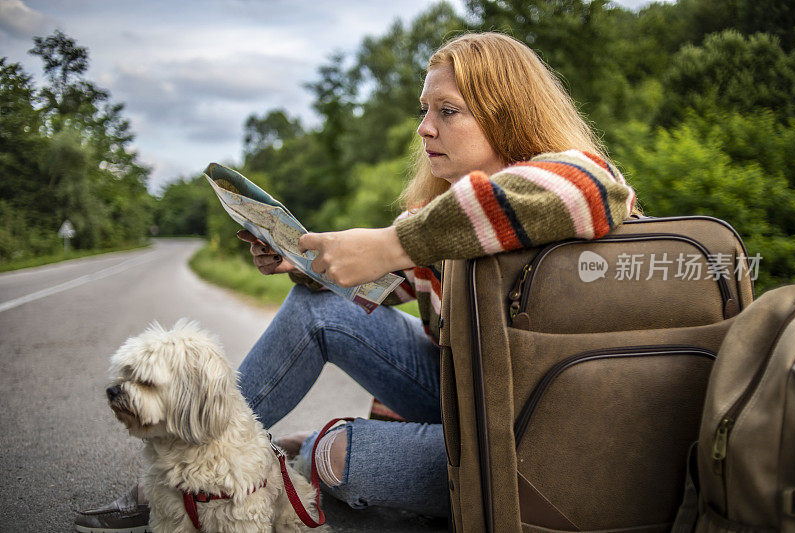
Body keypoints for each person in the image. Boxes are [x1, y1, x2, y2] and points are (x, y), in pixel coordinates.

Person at [74, 31, 637, 531]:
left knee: (331, 454)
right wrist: (310, 265)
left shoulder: (569, 177)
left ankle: (282, 451)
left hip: (526, 438)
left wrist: (392, 242)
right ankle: (179, 470)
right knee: (319, 310)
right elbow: (379, 293)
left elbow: (588, 184)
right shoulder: (438, 219)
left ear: (507, 113)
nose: (425, 128)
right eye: (425, 110)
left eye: (448, 111)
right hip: (464, 396)